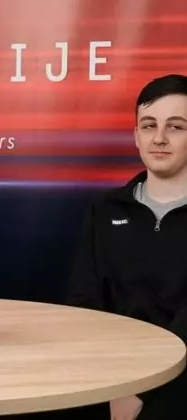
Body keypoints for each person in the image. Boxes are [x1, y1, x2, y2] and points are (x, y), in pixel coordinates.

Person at [66, 74, 187, 420]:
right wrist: (117, 385)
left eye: (175, 127)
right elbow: (84, 306)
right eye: (149, 126)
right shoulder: (104, 210)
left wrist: (141, 393)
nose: (159, 138)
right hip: (110, 380)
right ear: (136, 136)